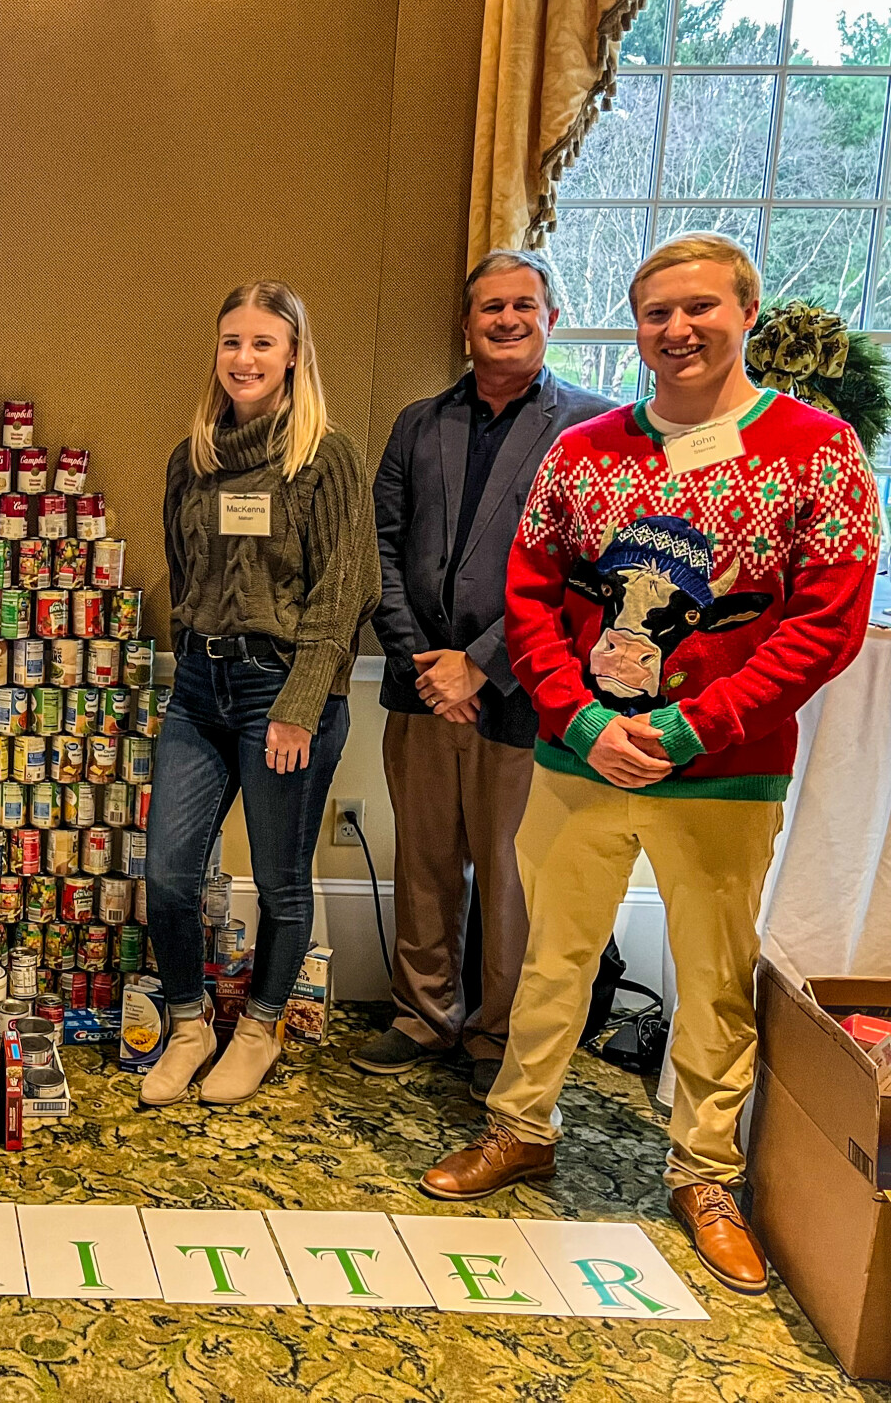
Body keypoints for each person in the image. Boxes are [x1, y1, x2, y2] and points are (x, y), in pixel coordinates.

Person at [420, 234, 880, 1296]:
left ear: (743, 314)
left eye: (698, 309)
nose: (676, 330)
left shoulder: (817, 452)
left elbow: (824, 624)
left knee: (713, 979)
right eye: (654, 312)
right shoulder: (583, 452)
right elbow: (528, 587)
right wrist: (576, 720)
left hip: (723, 770)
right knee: (549, 956)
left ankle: (703, 1172)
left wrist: (685, 731)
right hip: (575, 759)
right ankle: (518, 1126)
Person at [358, 251, 612, 1099]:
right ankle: (422, 1015)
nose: (506, 320)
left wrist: (482, 665)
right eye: (489, 308)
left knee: (510, 875)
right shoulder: (417, 424)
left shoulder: (592, 429)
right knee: (424, 859)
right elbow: (380, 549)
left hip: (526, 690)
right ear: (464, 328)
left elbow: (587, 569)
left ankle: (495, 1033)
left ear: (550, 317)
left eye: (523, 306)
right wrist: (426, 665)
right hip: (419, 684)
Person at [140, 280, 379, 1108]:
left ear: (294, 356)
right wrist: (191, 668)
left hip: (285, 688)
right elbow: (183, 572)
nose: (245, 358)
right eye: (231, 342)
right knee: (167, 870)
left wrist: (298, 704)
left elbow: (347, 591)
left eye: (263, 343)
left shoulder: (327, 457)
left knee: (280, 878)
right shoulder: (193, 460)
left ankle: (260, 1028)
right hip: (202, 689)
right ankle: (188, 1024)